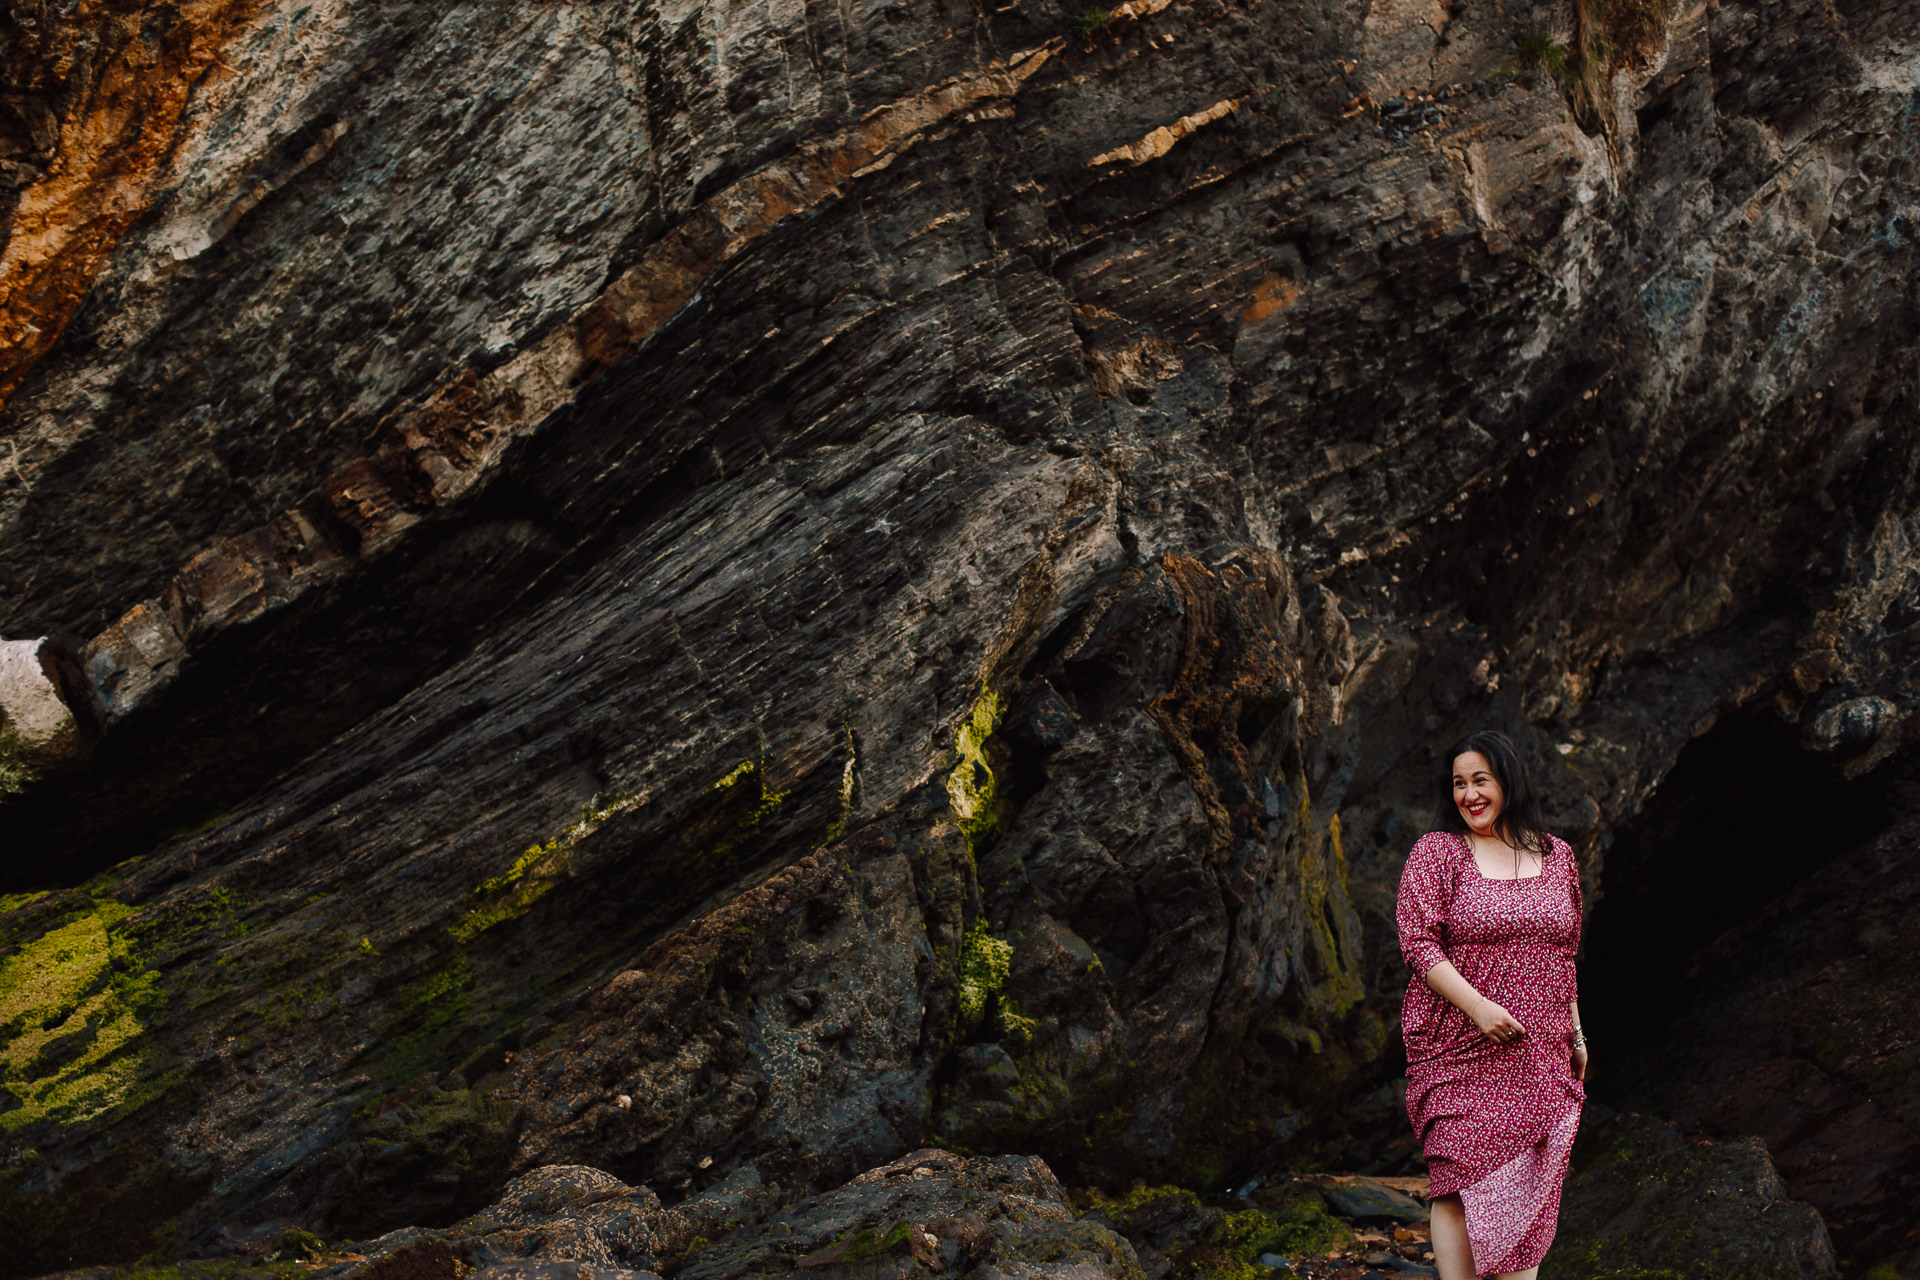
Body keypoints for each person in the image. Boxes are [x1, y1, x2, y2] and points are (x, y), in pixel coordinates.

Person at [1395, 730, 1588, 1280]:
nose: (1469, 794)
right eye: (1459, 783)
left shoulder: (1558, 856)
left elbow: (1564, 954)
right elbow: (1417, 942)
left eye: (1481, 780)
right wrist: (1479, 1008)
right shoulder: (1438, 852)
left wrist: (1576, 1035)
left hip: (1539, 1053)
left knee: (1529, 1176)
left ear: (1509, 781)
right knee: (1458, 1175)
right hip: (1455, 1048)